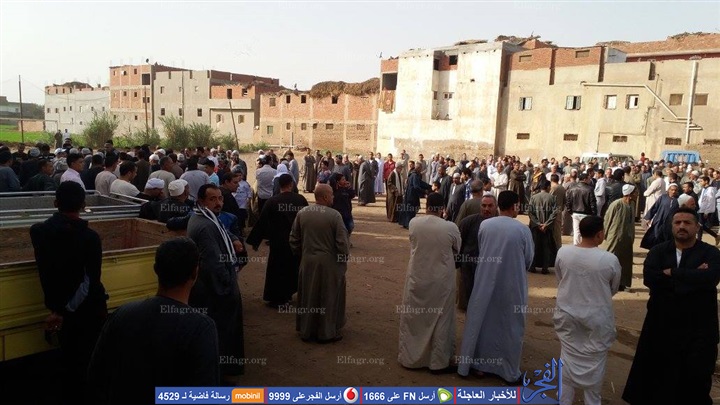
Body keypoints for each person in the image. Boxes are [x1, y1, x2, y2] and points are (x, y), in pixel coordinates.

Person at [87, 238, 219, 404]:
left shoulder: (122, 314)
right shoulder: (201, 328)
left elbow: (95, 376)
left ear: (155, 269)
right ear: (195, 273)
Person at [623, 207, 720, 404]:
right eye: (678, 222)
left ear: (697, 227)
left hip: (698, 329)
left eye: (687, 223)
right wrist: (693, 276)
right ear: (672, 226)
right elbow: (651, 279)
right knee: (657, 378)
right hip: (661, 326)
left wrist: (674, 273)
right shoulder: (659, 251)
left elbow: (711, 278)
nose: (682, 226)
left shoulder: (710, 253)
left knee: (695, 380)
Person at [29, 182, 108, 404]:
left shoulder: (38, 232)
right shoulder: (90, 238)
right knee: (88, 362)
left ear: (55, 203)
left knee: (69, 361)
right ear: (83, 205)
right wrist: (65, 310)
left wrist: (58, 309)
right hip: (85, 311)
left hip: (59, 308)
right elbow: (91, 280)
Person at [457, 191, 533, 383]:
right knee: (510, 325)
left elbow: (483, 248)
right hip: (512, 284)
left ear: (499, 206)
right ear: (515, 206)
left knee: (483, 321)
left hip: (485, 280)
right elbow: (528, 259)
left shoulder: (486, 225)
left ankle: (479, 365)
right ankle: (508, 371)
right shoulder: (522, 230)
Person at [554, 216, 621, 405]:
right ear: (600, 234)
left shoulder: (563, 252)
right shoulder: (609, 259)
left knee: (567, 357)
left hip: (567, 315)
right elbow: (613, 288)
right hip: (597, 319)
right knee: (595, 363)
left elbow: (560, 279)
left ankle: (564, 400)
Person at [187, 184, 246, 380]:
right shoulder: (205, 225)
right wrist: (227, 286)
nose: (218, 203)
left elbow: (222, 232)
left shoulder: (206, 217)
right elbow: (214, 263)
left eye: (220, 198)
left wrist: (233, 239)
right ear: (201, 201)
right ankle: (219, 375)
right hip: (215, 290)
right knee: (222, 333)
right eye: (212, 199)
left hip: (212, 286)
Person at [398, 193, 460, 373]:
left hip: (417, 277)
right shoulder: (451, 227)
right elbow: (457, 248)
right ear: (443, 209)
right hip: (442, 281)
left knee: (415, 318)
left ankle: (411, 358)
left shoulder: (414, 223)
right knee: (442, 320)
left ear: (426, 207)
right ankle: (438, 363)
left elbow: (413, 243)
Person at [289, 184, 350, 342]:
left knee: (308, 296)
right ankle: (327, 333)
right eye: (331, 194)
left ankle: (306, 330)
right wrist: (342, 262)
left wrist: (303, 254)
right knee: (328, 297)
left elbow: (294, 239)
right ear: (325, 197)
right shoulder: (334, 216)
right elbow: (342, 243)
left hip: (308, 261)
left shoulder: (303, 213)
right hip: (329, 263)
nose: (333, 197)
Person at [247, 174, 308, 307]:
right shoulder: (300, 200)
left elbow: (262, 222)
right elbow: (307, 220)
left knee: (277, 269)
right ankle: (288, 294)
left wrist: (255, 241)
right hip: (296, 242)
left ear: (279, 185)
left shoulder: (272, 201)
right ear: (291, 184)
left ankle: (278, 298)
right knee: (293, 268)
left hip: (278, 242)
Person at [456, 195, 497, 311]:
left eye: (490, 206)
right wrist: (459, 263)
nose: (486, 209)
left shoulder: (501, 226)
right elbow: (459, 245)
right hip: (470, 267)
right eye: (484, 205)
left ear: (496, 207)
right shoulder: (468, 222)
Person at [603, 184, 637, 291]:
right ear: (629, 194)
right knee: (611, 258)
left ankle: (622, 283)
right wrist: (605, 234)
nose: (636, 194)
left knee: (625, 261)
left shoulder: (632, 204)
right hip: (615, 236)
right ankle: (607, 282)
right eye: (635, 193)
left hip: (627, 237)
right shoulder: (616, 204)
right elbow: (607, 219)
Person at [528, 179, 558, 274]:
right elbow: (554, 213)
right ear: (548, 187)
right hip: (547, 228)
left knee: (534, 246)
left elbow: (530, 213)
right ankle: (545, 268)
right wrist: (546, 224)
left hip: (535, 227)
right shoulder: (552, 198)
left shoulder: (533, 197)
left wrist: (537, 223)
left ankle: (532, 266)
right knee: (546, 247)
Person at [640, 183, 679, 250]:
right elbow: (655, 207)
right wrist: (648, 218)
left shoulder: (678, 200)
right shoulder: (663, 197)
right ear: (668, 190)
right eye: (672, 190)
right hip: (659, 220)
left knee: (667, 239)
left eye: (675, 190)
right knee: (656, 236)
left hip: (670, 224)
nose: (673, 192)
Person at [565, 173, 597, 245]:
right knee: (586, 232)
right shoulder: (590, 189)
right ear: (585, 179)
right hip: (586, 213)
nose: (590, 180)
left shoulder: (572, 189)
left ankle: (576, 246)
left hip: (575, 213)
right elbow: (592, 203)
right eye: (588, 178)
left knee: (576, 232)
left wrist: (570, 212)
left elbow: (568, 202)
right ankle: (585, 246)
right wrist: (594, 214)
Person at [399, 163, 432, 229]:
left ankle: (405, 223)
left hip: (409, 195)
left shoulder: (413, 174)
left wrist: (429, 186)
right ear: (418, 168)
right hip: (412, 196)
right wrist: (424, 191)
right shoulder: (414, 176)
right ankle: (408, 224)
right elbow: (416, 186)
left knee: (408, 209)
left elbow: (420, 183)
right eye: (420, 168)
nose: (421, 170)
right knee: (411, 210)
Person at [329, 173, 356, 246]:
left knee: (350, 226)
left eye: (345, 179)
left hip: (347, 212)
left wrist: (349, 188)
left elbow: (352, 195)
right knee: (340, 229)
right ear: (338, 181)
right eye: (343, 179)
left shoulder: (346, 189)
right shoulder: (334, 190)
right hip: (338, 213)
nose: (345, 181)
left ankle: (346, 239)